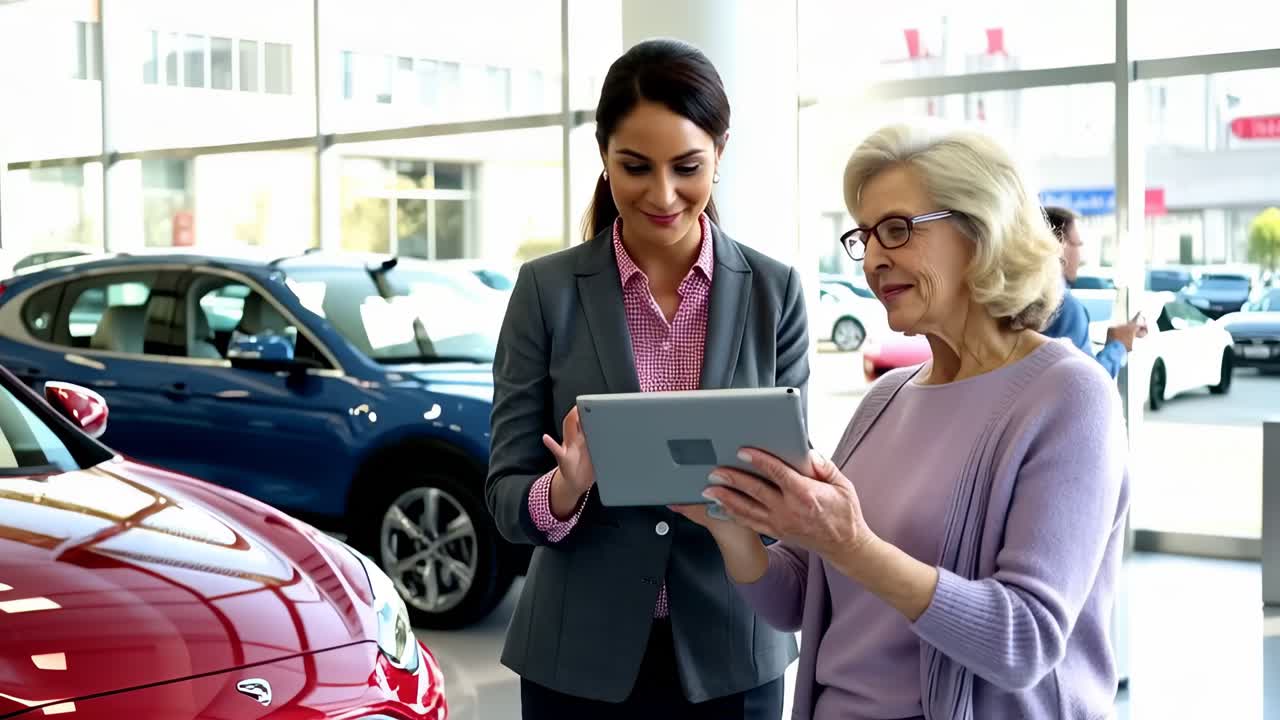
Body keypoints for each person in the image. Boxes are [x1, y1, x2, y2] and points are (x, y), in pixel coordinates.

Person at [674, 123, 1130, 719]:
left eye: (897, 229)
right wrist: (729, 524)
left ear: (982, 230)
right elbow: (800, 597)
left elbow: (1025, 640)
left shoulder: (1069, 397)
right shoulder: (887, 395)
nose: (875, 258)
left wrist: (853, 544)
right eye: (865, 236)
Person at [486, 38, 806, 720]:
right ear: (603, 157)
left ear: (720, 153)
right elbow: (506, 498)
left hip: (731, 652)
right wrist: (564, 489)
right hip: (578, 657)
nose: (662, 195)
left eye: (687, 166)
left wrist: (759, 506)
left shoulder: (774, 293)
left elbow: (793, 495)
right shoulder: (546, 291)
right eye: (635, 167)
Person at [1041, 206, 1146, 378]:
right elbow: (1089, 383)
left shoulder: (1016, 301)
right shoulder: (1063, 306)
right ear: (1059, 245)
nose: (1081, 257)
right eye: (1077, 245)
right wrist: (1118, 346)